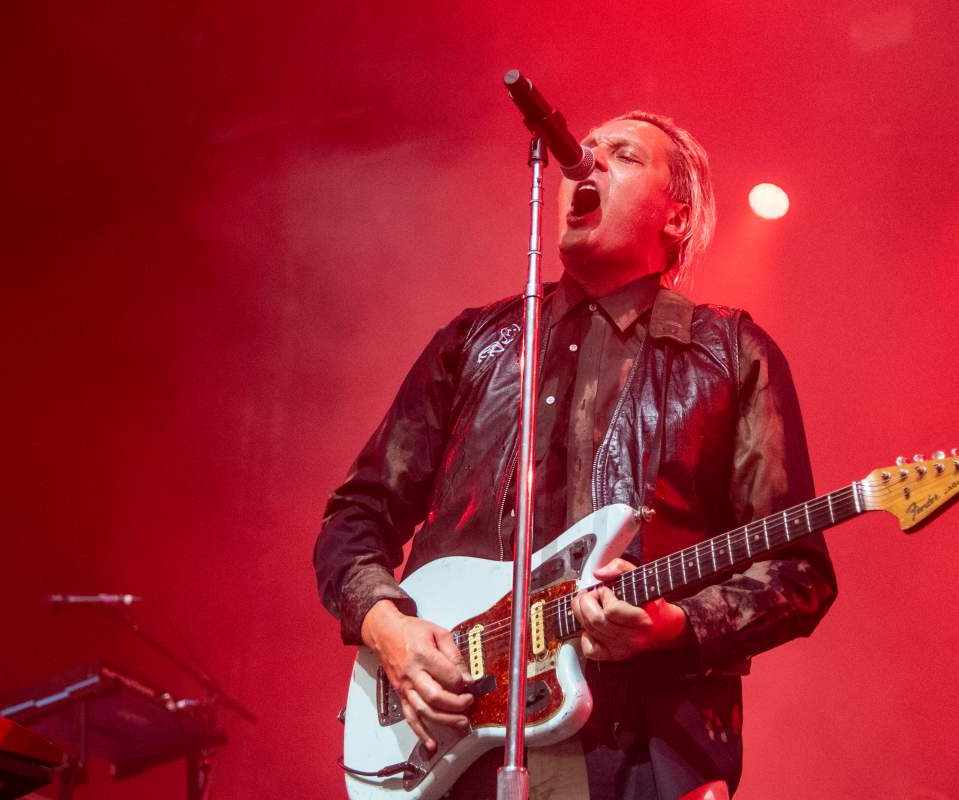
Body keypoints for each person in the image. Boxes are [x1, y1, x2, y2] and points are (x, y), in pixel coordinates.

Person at [314, 110, 837, 799]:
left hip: (639, 748)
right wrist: (390, 629)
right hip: (454, 742)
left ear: (675, 220)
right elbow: (357, 516)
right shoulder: (473, 343)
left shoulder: (729, 354)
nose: (585, 164)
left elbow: (797, 573)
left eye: (622, 156)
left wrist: (674, 626)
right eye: (582, 152)